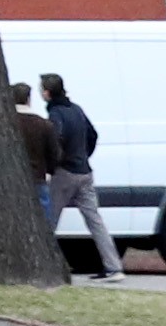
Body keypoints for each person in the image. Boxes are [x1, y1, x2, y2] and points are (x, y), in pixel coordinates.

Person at [37, 72, 121, 280]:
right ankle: (114, 266)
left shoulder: (56, 114)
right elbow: (93, 135)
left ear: (47, 93)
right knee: (95, 221)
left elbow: (56, 139)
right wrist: (83, 155)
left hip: (65, 173)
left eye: (41, 89)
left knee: (49, 219)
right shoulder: (77, 110)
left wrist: (54, 164)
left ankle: (44, 266)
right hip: (85, 171)